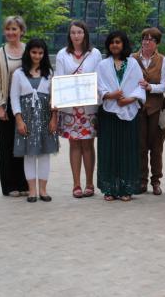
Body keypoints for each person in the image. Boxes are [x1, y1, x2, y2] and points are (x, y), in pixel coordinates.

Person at [97, 31, 146, 202]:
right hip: (108, 114)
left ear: (124, 44)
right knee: (108, 150)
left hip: (129, 113)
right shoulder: (102, 64)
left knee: (127, 150)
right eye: (112, 42)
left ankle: (127, 188)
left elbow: (140, 86)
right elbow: (98, 86)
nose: (115, 45)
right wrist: (110, 95)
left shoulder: (132, 64)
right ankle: (109, 188)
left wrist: (130, 99)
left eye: (118, 42)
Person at [56, 20, 102, 198]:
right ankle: (76, 184)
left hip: (89, 107)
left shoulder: (95, 53)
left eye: (79, 32)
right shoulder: (62, 54)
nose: (76, 36)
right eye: (73, 32)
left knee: (88, 144)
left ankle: (90, 183)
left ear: (85, 34)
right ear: (69, 35)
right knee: (74, 144)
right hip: (70, 107)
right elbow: (59, 79)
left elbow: (99, 77)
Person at [10, 38, 59, 203]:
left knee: (45, 154)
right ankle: (32, 191)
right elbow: (14, 98)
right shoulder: (18, 73)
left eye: (40, 52)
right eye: (34, 52)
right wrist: (19, 119)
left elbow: (55, 98)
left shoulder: (50, 73)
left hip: (46, 118)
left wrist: (54, 118)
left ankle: (43, 190)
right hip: (27, 119)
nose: (37, 56)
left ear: (44, 54)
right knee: (29, 155)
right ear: (28, 53)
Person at [0, 15, 29, 197]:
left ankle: (24, 183)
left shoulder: (29, 50)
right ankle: (9, 185)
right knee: (7, 146)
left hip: (26, 106)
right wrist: (0, 105)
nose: (11, 32)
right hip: (7, 106)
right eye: (8, 29)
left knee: (24, 145)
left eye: (14, 29)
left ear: (21, 31)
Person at [132, 27, 165, 195]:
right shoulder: (132, 59)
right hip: (137, 108)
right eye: (144, 38)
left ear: (157, 43)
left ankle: (156, 181)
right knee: (139, 146)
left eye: (151, 39)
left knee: (156, 146)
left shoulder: (162, 60)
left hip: (155, 109)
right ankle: (141, 180)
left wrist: (150, 87)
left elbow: (164, 85)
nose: (147, 42)